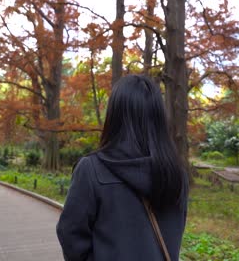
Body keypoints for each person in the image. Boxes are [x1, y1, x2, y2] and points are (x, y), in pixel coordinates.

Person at [56, 74, 189, 261]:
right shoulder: (176, 174)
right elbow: (175, 232)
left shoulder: (92, 169)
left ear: (115, 116)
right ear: (159, 118)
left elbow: (70, 234)